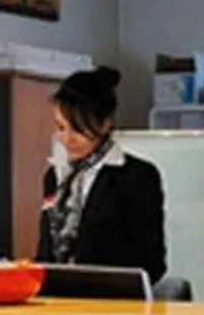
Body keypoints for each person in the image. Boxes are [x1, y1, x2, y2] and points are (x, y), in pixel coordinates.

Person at [35, 65, 166, 283]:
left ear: (105, 124)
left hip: (111, 298)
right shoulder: (56, 176)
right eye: (61, 128)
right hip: (58, 295)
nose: (67, 139)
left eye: (78, 129)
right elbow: (45, 253)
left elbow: (152, 262)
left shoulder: (136, 177)